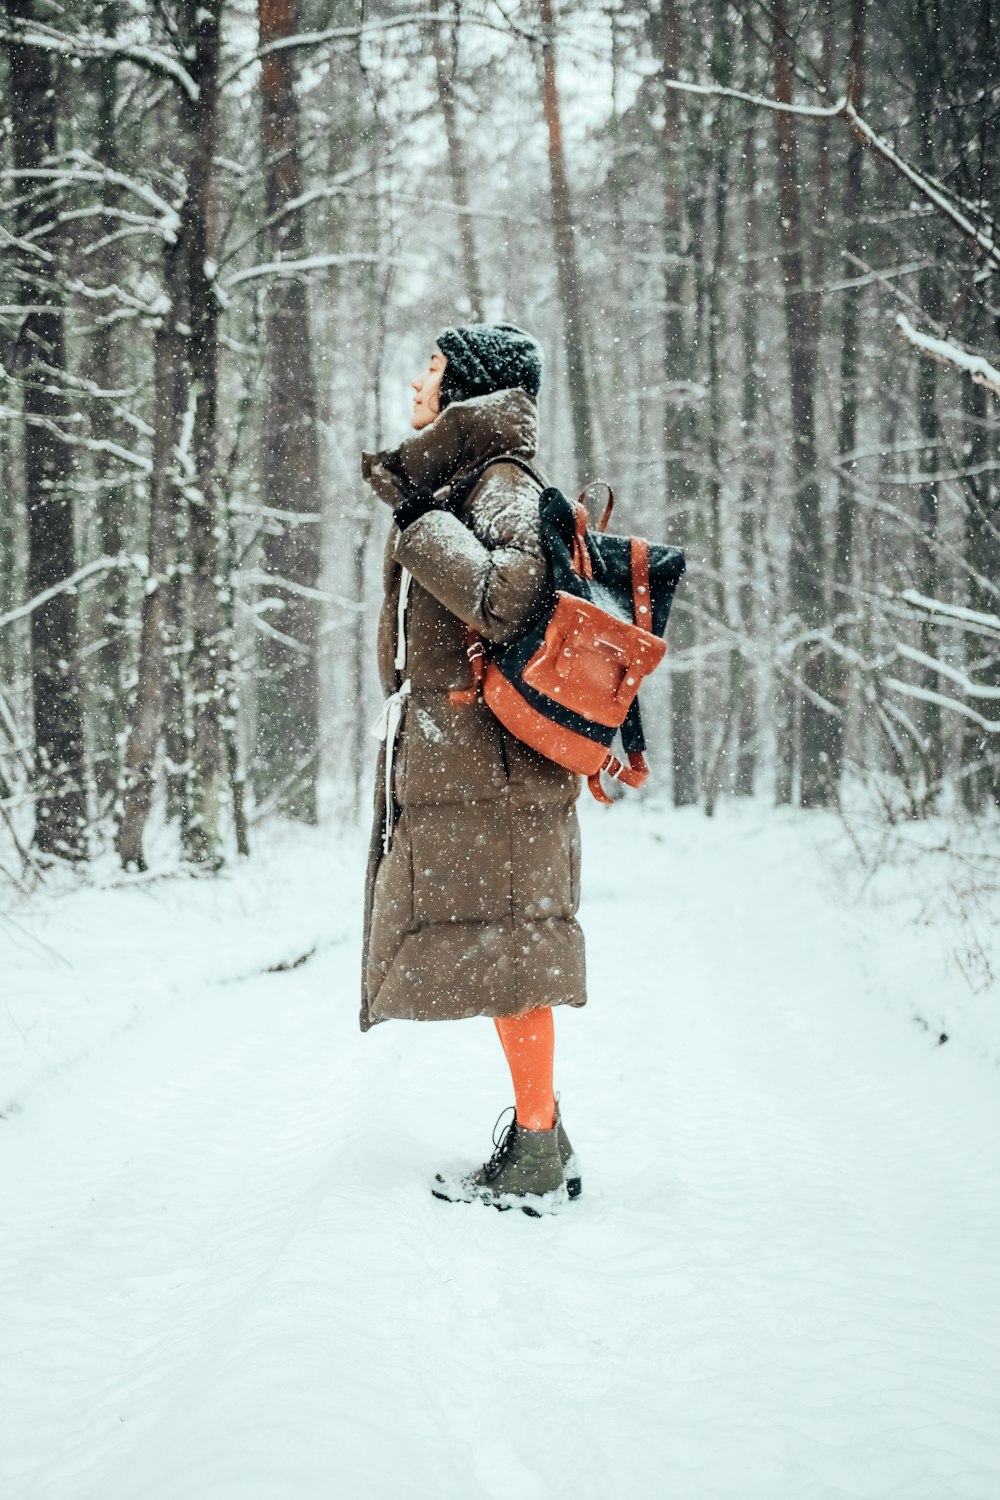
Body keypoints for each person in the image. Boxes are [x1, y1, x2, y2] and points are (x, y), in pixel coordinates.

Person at [360, 323, 585, 1215]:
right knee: (504, 952)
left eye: (434, 367)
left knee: (514, 956)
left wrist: (423, 528)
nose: (418, 379)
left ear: (470, 388)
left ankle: (536, 1147)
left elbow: (508, 594)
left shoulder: (500, 487)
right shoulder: (465, 482)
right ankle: (543, 1132)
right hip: (475, 770)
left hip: (495, 772)